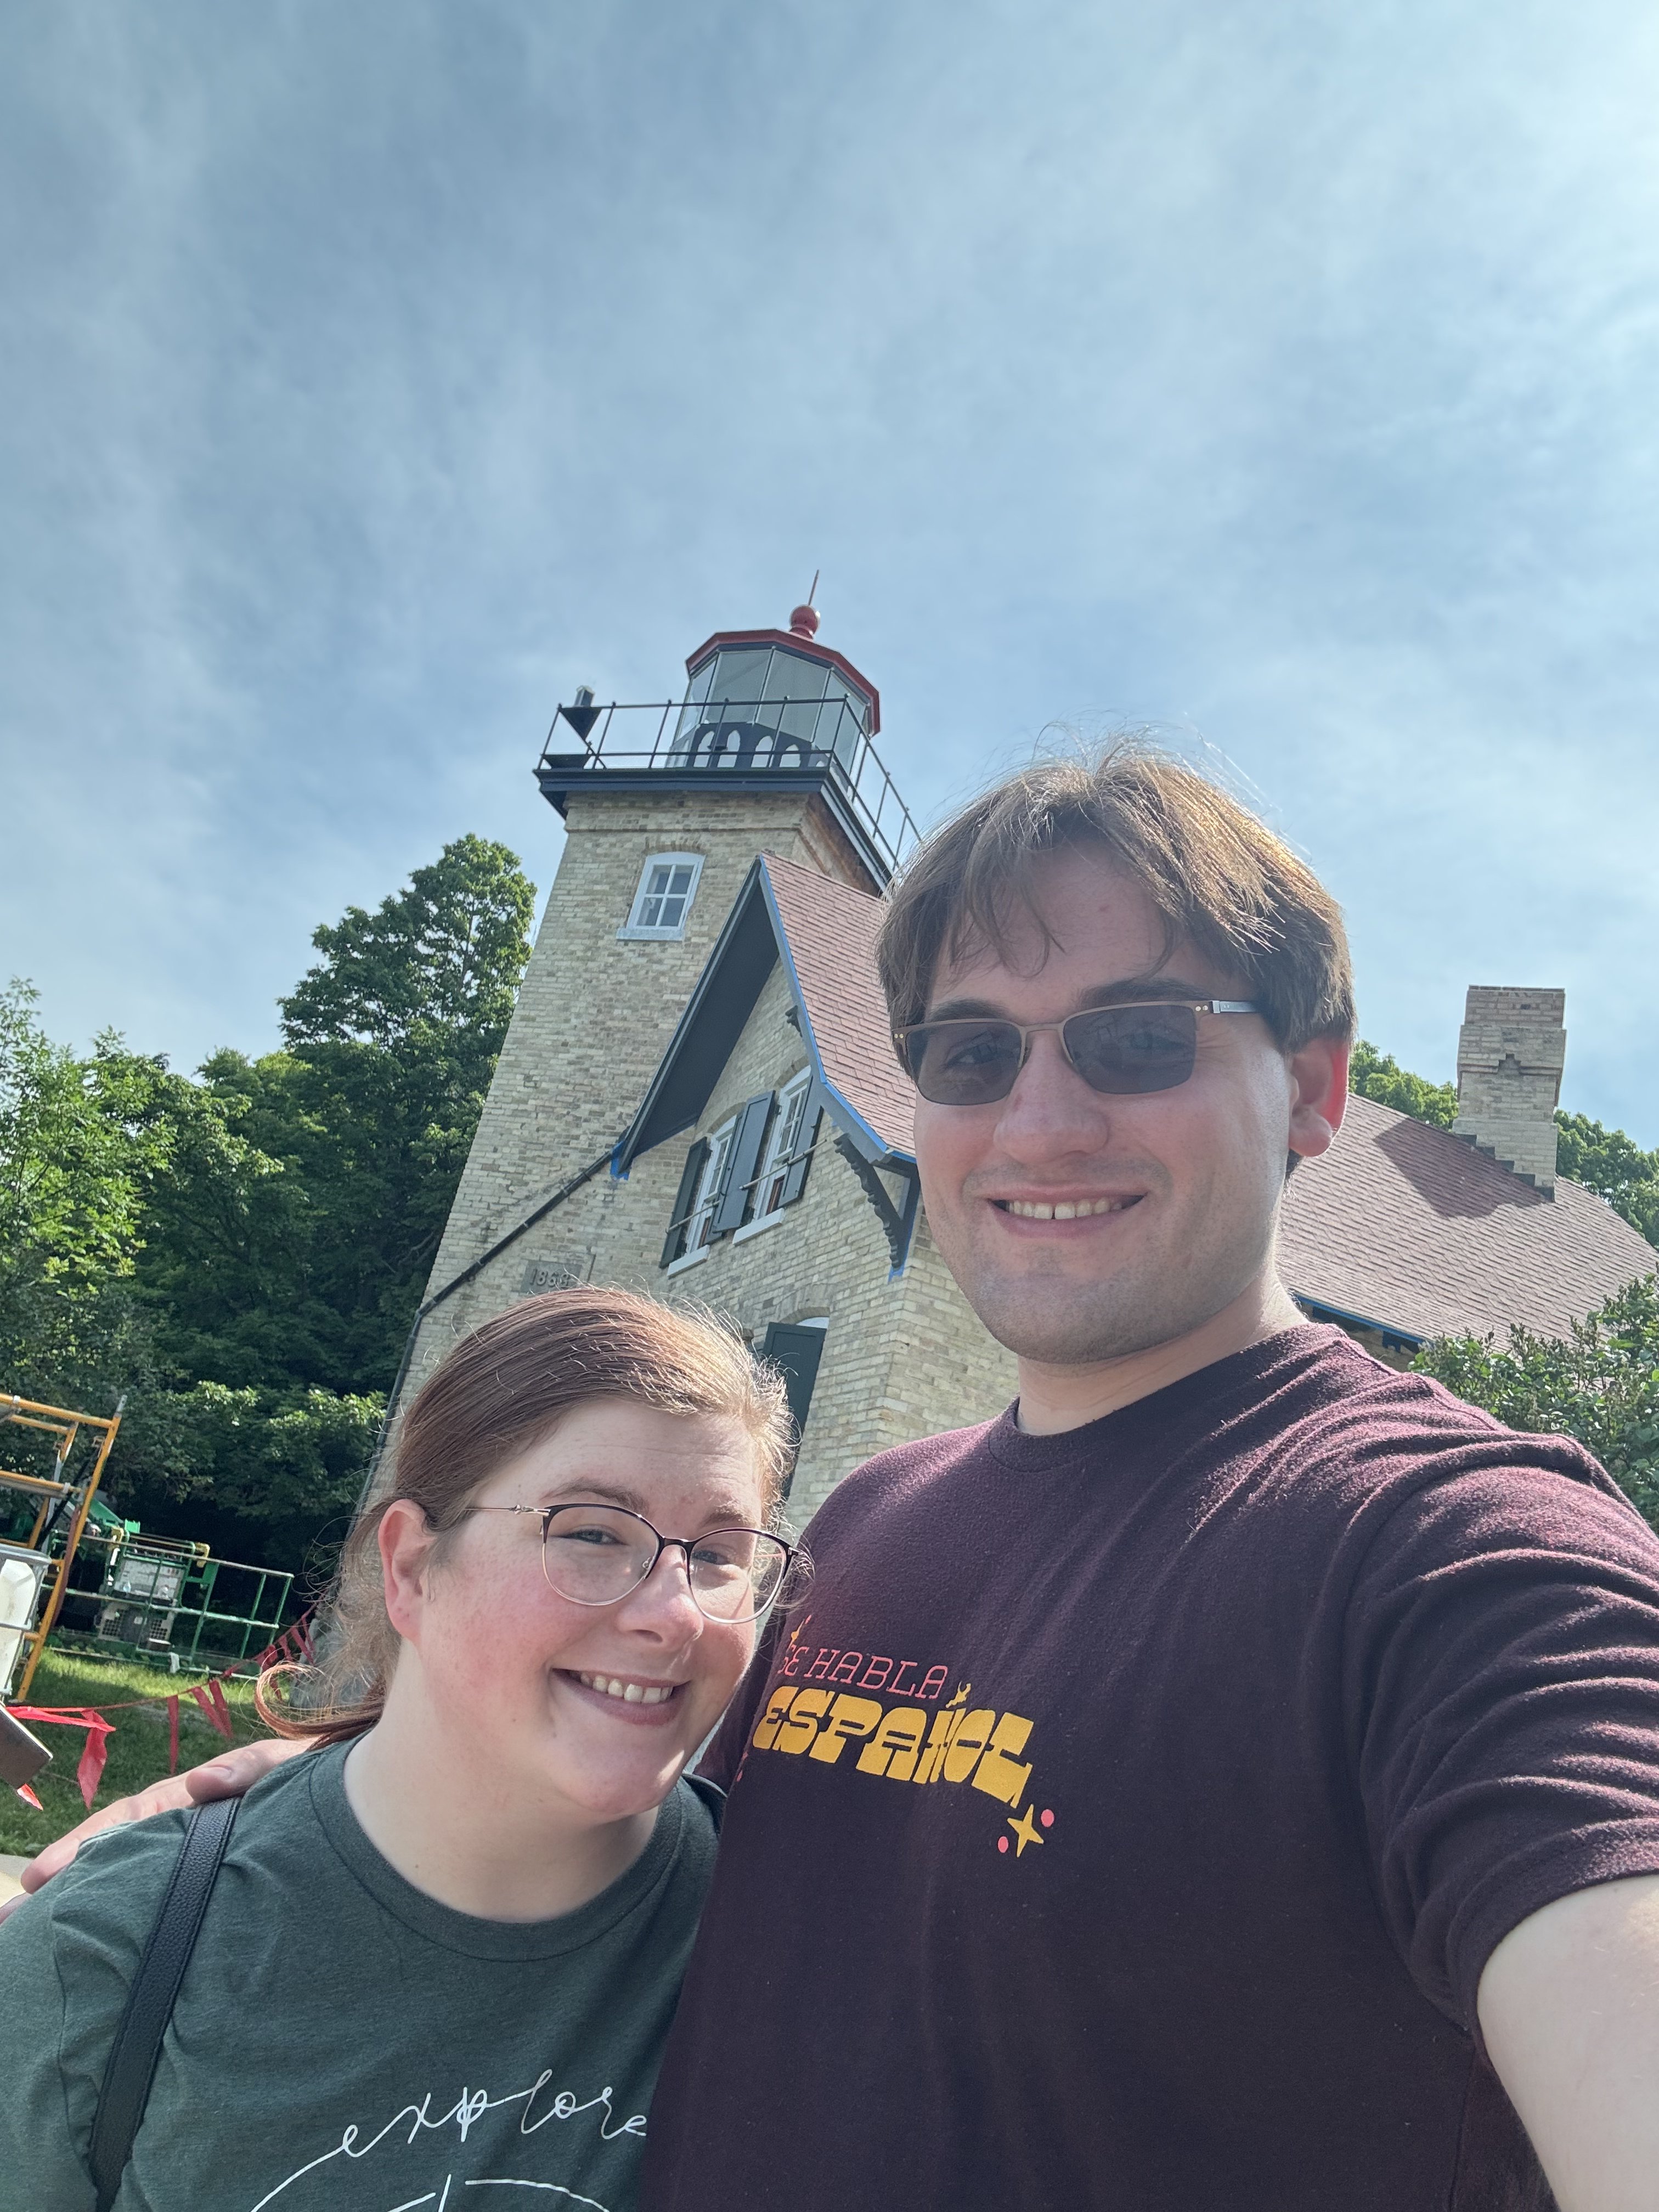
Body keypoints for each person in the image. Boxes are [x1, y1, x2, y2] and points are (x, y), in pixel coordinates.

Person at [22, 749, 1659, 2208]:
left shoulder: (1452, 1553)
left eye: (1139, 1037)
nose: (1040, 1118)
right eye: (967, 1054)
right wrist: (286, 1805)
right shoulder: (870, 1527)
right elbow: (628, 1766)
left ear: (1310, 1087)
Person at [0, 1286, 795, 2212]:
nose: (674, 1614)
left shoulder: (795, 1944)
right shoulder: (112, 1953)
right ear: (412, 1565)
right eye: (590, 1532)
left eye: (720, 1555)